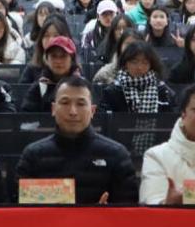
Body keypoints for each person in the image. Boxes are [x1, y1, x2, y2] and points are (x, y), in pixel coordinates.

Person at [16, 76, 138, 205]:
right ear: (53, 109)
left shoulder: (117, 154)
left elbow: (130, 207)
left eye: (81, 104)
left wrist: (107, 212)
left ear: (92, 110)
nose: (73, 112)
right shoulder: (33, 155)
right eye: (65, 103)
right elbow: (18, 208)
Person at [100, 40, 175, 114]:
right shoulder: (112, 92)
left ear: (151, 65)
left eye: (145, 63)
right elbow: (105, 118)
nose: (139, 67)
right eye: (134, 62)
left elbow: (172, 118)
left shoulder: (164, 91)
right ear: (125, 63)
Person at [21, 35, 80, 112]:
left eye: (63, 56)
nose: (58, 61)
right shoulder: (38, 88)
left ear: (72, 59)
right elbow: (27, 116)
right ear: (46, 59)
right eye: (53, 56)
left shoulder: (82, 87)